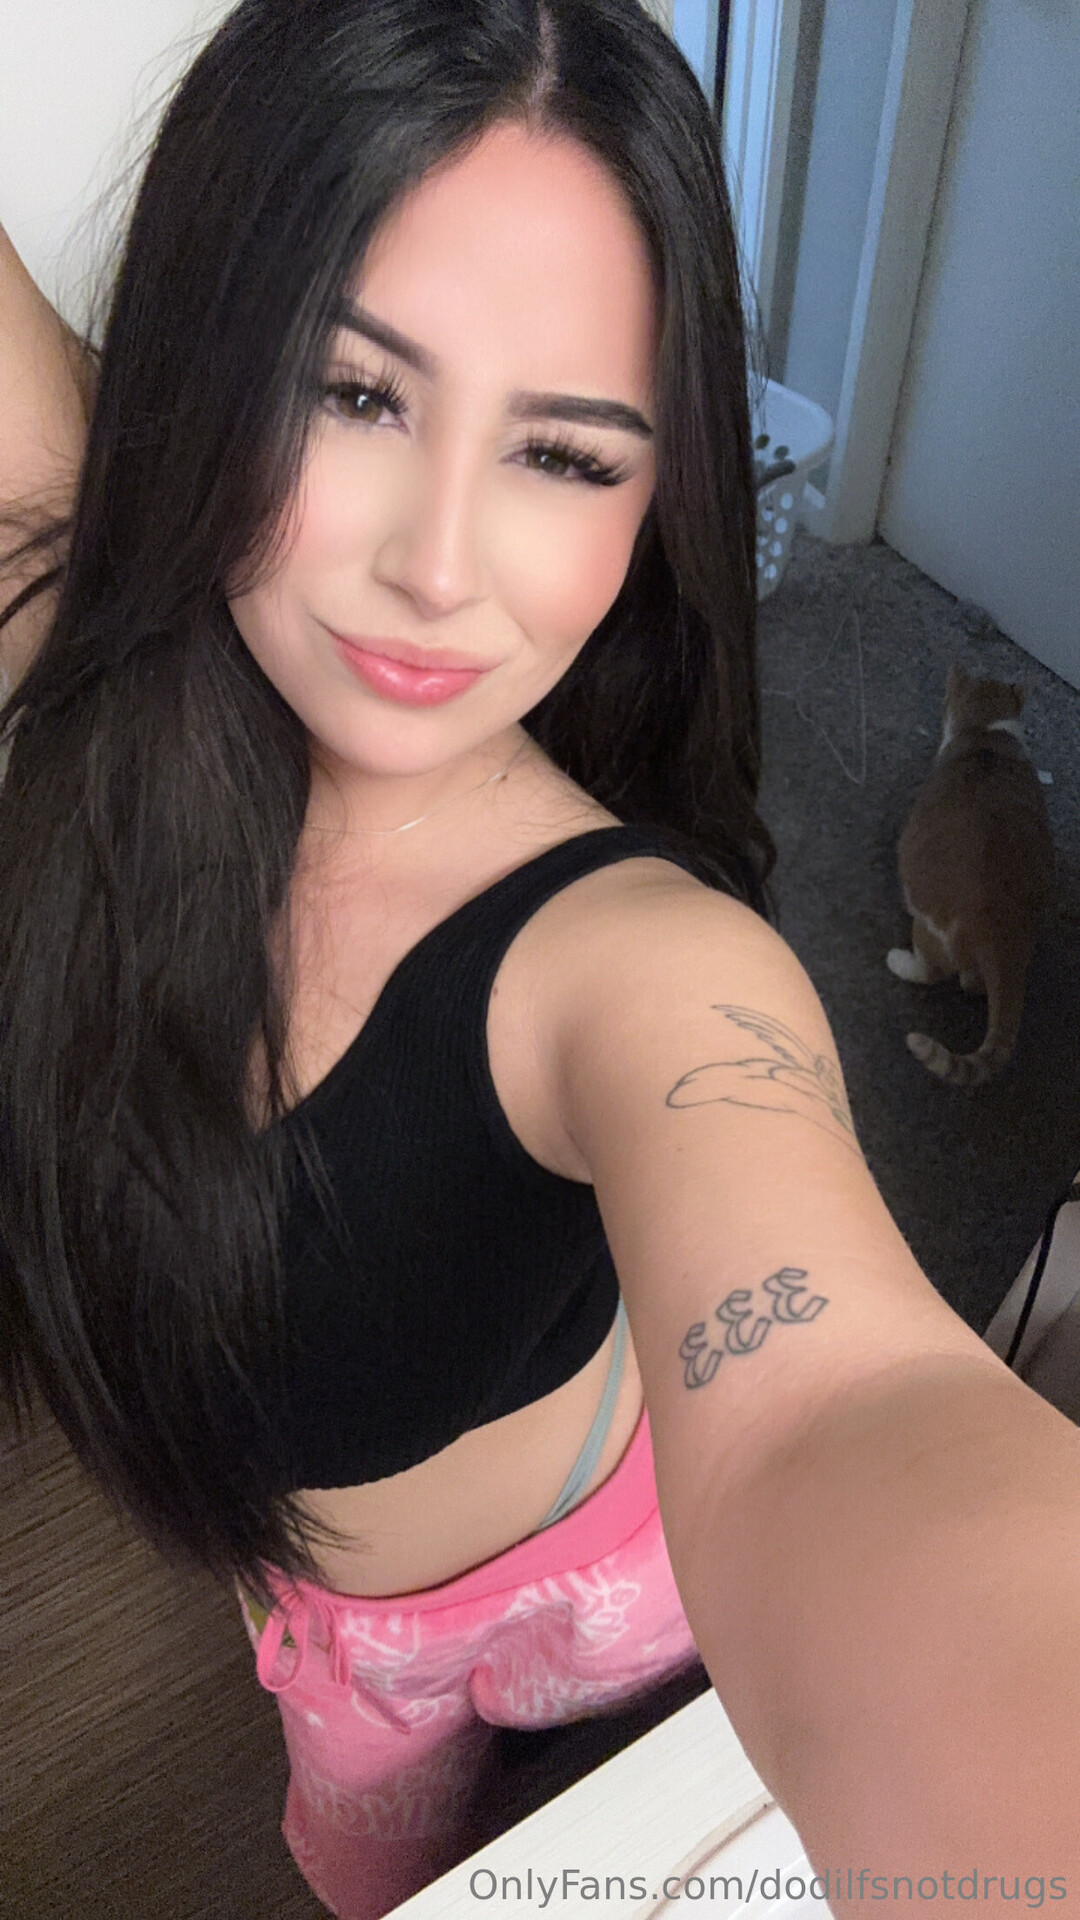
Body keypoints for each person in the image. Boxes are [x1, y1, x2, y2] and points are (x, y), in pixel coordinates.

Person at [1, 3, 1078, 1916]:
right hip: (339, 1643)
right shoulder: (78, 637)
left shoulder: (645, 970)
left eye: (567, 455)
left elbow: (836, 1406)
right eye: (354, 395)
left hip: (615, 1595)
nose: (440, 566)